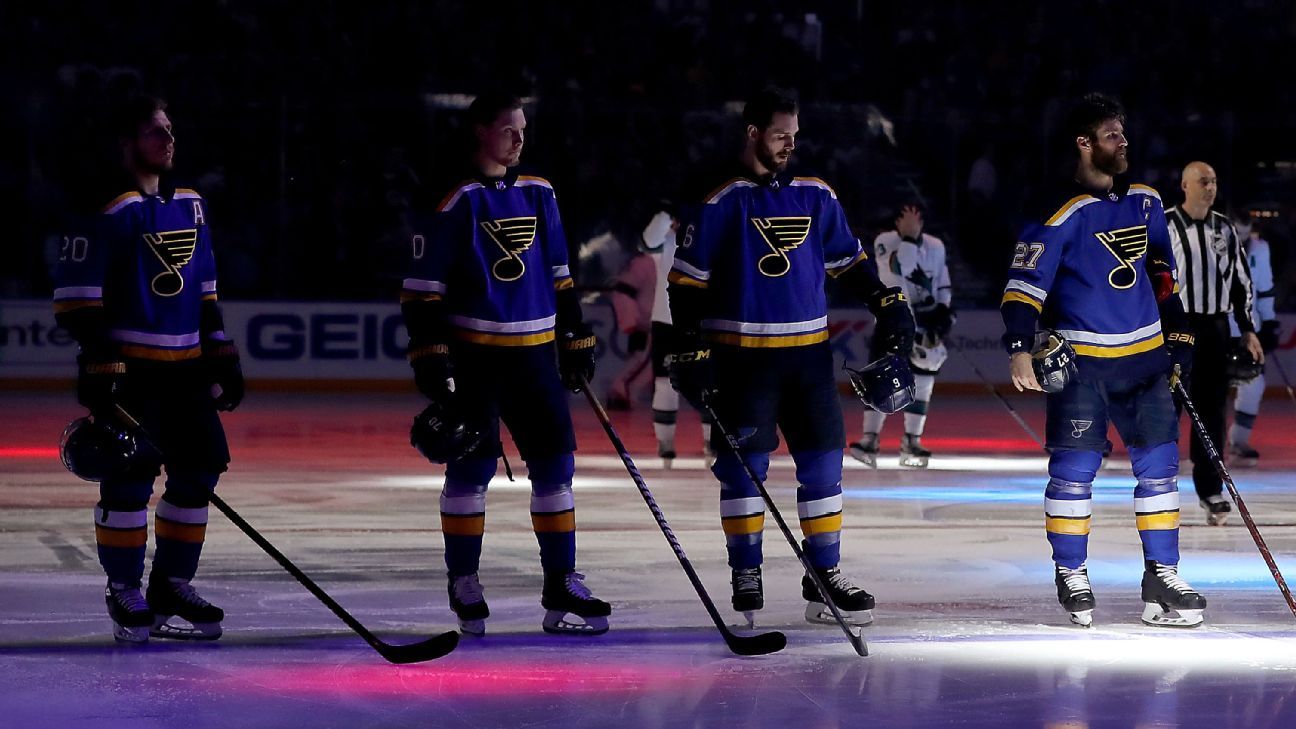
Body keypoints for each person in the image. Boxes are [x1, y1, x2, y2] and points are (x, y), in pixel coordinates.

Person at [668, 87, 915, 627]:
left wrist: (885, 300)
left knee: (824, 468)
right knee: (743, 475)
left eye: (794, 136)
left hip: (808, 359)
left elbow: (849, 262)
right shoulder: (720, 198)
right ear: (753, 132)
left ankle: (823, 576)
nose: (789, 145)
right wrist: (689, 345)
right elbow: (686, 282)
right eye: (781, 135)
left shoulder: (815, 194)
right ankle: (746, 572)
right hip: (742, 360)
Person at [400, 91, 610, 636]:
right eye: (508, 130)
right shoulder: (455, 200)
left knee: (555, 469)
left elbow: (561, 276)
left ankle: (561, 581)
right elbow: (421, 293)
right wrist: (431, 356)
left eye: (523, 129)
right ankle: (463, 580)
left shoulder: (540, 192)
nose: (520, 139)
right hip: (477, 360)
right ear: (480, 133)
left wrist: (575, 331)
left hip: (535, 357)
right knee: (470, 471)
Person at [1002, 93, 1206, 628]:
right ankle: (1072, 572)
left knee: (1161, 471)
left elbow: (1160, 269)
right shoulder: (1058, 214)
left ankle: (1162, 574)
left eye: (1123, 132)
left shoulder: (1145, 201)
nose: (1125, 142)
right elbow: (1022, 291)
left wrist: (1178, 329)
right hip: (1084, 367)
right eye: (1113, 135)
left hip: (1145, 363)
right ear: (1084, 143)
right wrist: (1020, 347)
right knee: (1074, 474)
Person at [53, 94, 242, 643]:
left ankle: (171, 583)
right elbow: (76, 303)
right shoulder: (104, 209)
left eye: (170, 128)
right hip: (131, 372)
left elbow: (206, 294)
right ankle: (124, 588)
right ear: (125, 145)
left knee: (201, 469)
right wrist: (100, 362)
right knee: (129, 478)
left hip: (185, 370)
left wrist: (222, 352)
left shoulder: (191, 204)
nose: (168, 138)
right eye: (154, 131)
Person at [1165, 162, 1264, 524]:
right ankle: (1158, 488)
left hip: (1215, 330)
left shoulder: (1224, 227)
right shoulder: (1165, 224)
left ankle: (1210, 490)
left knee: (1211, 413)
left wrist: (1249, 329)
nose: (1210, 187)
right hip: (1175, 328)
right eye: (1203, 181)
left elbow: (1242, 283)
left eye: (1214, 181)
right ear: (1185, 185)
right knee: (1167, 410)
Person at [849, 203, 953, 468]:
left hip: (926, 323)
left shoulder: (936, 246)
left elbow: (943, 284)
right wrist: (908, 237)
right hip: (894, 321)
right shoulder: (885, 241)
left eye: (917, 217)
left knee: (925, 377)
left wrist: (942, 315)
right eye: (907, 218)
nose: (913, 222)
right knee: (881, 376)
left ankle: (912, 440)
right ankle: (870, 439)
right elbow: (900, 270)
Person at [640, 203, 713, 466]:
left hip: (702, 323)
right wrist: (665, 214)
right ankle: (666, 444)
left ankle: (711, 442)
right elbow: (648, 242)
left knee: (709, 384)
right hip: (665, 322)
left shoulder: (708, 236)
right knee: (664, 384)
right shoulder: (666, 239)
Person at [1228, 214, 1280, 464]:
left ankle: (1239, 439)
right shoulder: (1213, 243)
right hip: (1217, 327)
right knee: (1208, 388)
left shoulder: (1260, 249)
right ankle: (1206, 443)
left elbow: (1265, 289)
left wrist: (1269, 323)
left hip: (1249, 329)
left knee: (1254, 384)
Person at [605, 242, 656, 411]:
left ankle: (621, 391)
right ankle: (620, 390)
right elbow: (623, 289)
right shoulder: (646, 262)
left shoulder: (653, 261)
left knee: (646, 360)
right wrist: (632, 319)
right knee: (643, 359)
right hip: (645, 321)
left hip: (649, 319)